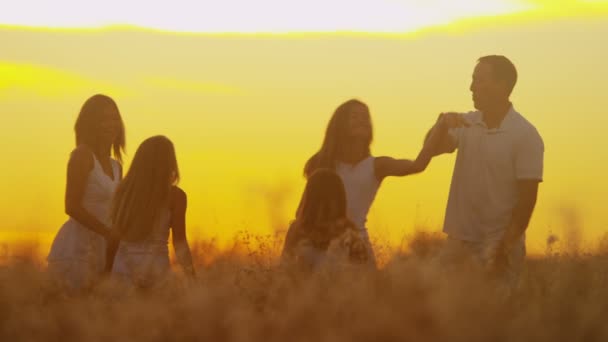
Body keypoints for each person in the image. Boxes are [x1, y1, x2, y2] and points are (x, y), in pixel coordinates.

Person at [427, 55, 544, 286]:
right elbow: (431, 149)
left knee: (494, 318)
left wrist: (503, 249)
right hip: (457, 245)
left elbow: (527, 201)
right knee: (445, 316)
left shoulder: (526, 135)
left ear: (502, 86)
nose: (471, 87)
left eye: (479, 80)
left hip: (498, 246)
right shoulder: (466, 123)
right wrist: (440, 124)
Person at [303, 99, 441, 265]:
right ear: (340, 124)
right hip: (320, 248)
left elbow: (417, 165)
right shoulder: (320, 163)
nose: (362, 121)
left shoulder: (377, 166)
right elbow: (304, 209)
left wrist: (439, 129)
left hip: (357, 248)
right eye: (354, 116)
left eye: (365, 117)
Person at [47, 94, 125, 292]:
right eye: (104, 119)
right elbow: (71, 205)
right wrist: (106, 232)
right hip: (79, 247)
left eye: (115, 118)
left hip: (107, 247)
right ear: (91, 123)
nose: (111, 124)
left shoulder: (116, 166)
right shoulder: (82, 155)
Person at [111, 136, 195, 288]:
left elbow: (114, 237)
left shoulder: (124, 192)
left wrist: (105, 274)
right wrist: (192, 277)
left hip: (123, 266)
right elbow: (180, 241)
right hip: (156, 268)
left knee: (123, 310)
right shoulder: (176, 196)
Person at [282, 169, 369, 272]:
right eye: (322, 200)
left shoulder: (349, 233)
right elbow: (284, 267)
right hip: (304, 287)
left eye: (332, 199)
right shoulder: (297, 230)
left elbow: (363, 274)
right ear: (313, 201)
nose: (327, 206)